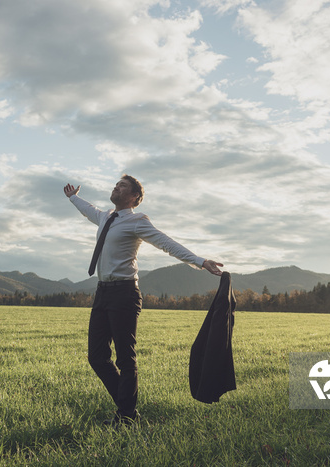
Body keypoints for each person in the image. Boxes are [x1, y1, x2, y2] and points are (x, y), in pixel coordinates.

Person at [63, 174, 223, 426]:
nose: (116, 187)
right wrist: (73, 198)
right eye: (116, 184)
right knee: (97, 357)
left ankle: (126, 415)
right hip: (103, 292)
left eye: (122, 186)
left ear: (134, 197)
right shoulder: (105, 217)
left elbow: (166, 243)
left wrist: (201, 261)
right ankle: (127, 407)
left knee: (125, 358)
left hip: (125, 293)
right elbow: (88, 210)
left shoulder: (137, 221)